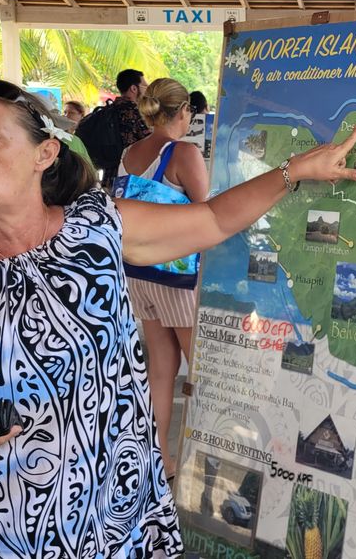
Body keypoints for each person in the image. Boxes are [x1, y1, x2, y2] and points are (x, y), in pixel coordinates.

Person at [0, 78, 356, 557]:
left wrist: (294, 171)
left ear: (43, 155)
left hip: (120, 513)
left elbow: (212, 220)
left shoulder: (95, 227)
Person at [118, 78, 211, 479]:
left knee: (160, 368)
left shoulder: (129, 153)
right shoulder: (184, 152)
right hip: (176, 274)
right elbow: (210, 212)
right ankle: (213, 463)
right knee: (203, 369)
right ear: (184, 112)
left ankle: (160, 460)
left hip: (138, 270)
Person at [77, 70, 150, 183]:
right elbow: (150, 140)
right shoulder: (135, 112)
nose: (147, 90)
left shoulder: (110, 110)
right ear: (134, 88)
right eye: (145, 86)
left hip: (109, 177)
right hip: (131, 178)